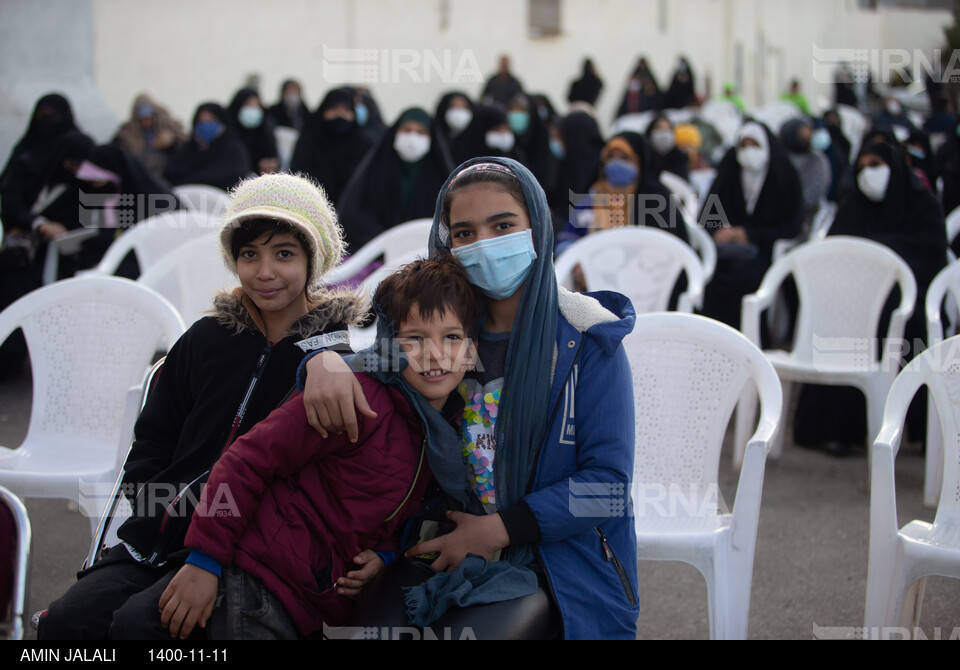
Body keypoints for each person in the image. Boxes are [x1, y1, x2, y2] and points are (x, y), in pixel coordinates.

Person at [300, 157, 640, 640]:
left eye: (503, 225)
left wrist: (498, 529)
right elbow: (368, 360)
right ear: (448, 243)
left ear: (537, 227)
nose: (484, 244)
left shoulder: (587, 339)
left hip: (553, 561)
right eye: (463, 232)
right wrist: (321, 360)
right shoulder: (440, 328)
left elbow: (606, 487)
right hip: (436, 544)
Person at [37, 172, 368, 640]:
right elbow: (153, 437)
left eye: (285, 253)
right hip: (157, 538)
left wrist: (211, 551)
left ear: (316, 260)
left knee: (142, 628)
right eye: (249, 253)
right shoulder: (204, 340)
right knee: (67, 623)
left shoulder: (329, 364)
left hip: (245, 551)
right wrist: (156, 508)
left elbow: (315, 485)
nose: (265, 271)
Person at [156, 255, 483, 640]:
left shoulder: (446, 434)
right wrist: (204, 560)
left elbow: (398, 513)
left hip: (313, 605)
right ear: (389, 346)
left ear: (471, 349)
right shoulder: (357, 398)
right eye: (414, 338)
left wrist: (385, 555)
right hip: (257, 581)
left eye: (452, 337)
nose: (435, 354)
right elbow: (245, 461)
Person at [793, 141, 948, 453]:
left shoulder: (923, 205)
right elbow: (836, 253)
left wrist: (880, 256)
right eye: (861, 168)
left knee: (903, 324)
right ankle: (838, 429)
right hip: (856, 302)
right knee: (841, 319)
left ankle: (915, 426)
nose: (868, 175)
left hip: (910, 299)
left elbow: (931, 255)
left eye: (875, 165)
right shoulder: (854, 206)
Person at [700, 121, 803, 330]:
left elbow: (791, 226)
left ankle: (750, 336)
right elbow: (708, 215)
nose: (748, 152)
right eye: (743, 145)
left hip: (764, 248)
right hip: (727, 251)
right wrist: (718, 231)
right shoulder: (730, 172)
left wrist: (749, 233)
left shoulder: (783, 176)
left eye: (754, 145)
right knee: (713, 277)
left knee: (747, 278)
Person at [337, 108, 454, 253]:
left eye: (421, 132)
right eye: (406, 130)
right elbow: (354, 215)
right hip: (376, 254)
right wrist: (387, 242)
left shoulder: (439, 175)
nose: (412, 137)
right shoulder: (377, 169)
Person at [557, 131, 689, 256]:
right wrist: (578, 263)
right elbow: (567, 239)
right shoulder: (593, 196)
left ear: (640, 162)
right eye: (611, 157)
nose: (616, 164)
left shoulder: (655, 199)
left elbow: (669, 250)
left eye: (625, 158)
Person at [290, 87, 375, 210]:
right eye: (334, 109)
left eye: (346, 110)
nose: (340, 115)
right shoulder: (309, 141)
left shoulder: (363, 144)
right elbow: (297, 177)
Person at [163, 102, 250, 192]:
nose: (205, 125)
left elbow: (232, 176)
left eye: (211, 120)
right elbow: (170, 176)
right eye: (201, 121)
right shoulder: (187, 151)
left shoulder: (234, 152)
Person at [111, 94, 187, 178]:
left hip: (165, 174)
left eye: (149, 119)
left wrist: (171, 140)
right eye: (142, 120)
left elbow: (185, 146)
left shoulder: (168, 127)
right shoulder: (127, 133)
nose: (146, 123)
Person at [780, 118, 832, 228]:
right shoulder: (779, 157)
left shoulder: (816, 160)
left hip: (806, 219)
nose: (807, 138)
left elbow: (813, 192)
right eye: (802, 134)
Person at [227, 88, 279, 176]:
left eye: (256, 105)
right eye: (248, 105)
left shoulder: (265, 131)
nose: (252, 109)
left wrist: (270, 166)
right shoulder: (229, 131)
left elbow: (273, 157)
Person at [646, 114, 691, 182]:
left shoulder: (680, 159)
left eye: (667, 129)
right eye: (659, 128)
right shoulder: (644, 157)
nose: (663, 134)